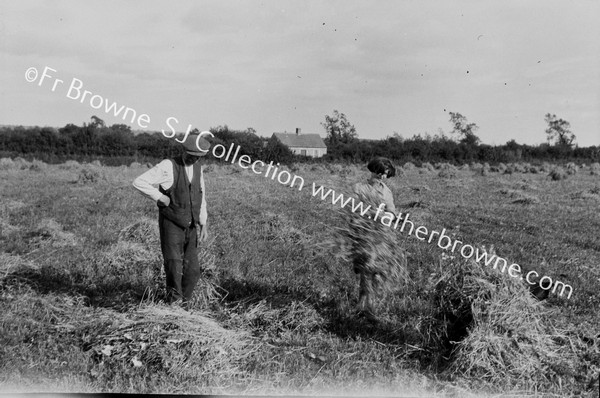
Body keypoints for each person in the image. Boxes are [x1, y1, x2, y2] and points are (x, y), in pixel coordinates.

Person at [132, 131, 210, 309]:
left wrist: (203, 222)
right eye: (193, 157)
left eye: (199, 158)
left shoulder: (198, 168)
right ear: (186, 151)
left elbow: (201, 194)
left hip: (191, 225)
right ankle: (173, 304)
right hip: (171, 223)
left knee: (193, 270)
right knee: (174, 265)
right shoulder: (169, 165)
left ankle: (185, 304)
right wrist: (159, 197)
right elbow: (139, 182)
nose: (195, 160)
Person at [348, 157, 408, 320]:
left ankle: (366, 307)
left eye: (385, 175)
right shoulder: (359, 188)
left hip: (381, 235)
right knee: (367, 270)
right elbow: (353, 209)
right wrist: (372, 214)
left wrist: (394, 217)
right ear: (372, 170)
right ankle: (366, 309)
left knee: (375, 272)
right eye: (379, 172)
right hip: (363, 233)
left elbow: (391, 211)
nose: (381, 177)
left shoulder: (386, 192)